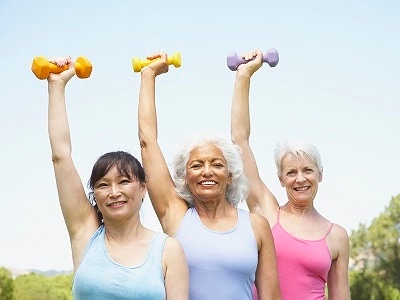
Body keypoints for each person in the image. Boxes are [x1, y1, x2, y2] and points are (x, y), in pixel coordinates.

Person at [137, 52, 281, 300]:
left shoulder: (257, 226)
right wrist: (148, 75)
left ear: (231, 175)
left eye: (216, 164)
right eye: (196, 166)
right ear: (184, 177)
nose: (206, 171)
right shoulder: (176, 216)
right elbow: (147, 142)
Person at [46, 57, 188, 300]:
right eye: (103, 185)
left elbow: (147, 139)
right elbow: (61, 157)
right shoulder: (85, 233)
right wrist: (56, 86)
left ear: (144, 188)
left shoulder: (167, 250)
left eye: (124, 181)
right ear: (95, 195)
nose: (114, 192)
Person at [230, 49, 351, 299]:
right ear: (281, 179)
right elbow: (239, 141)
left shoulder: (337, 236)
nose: (300, 178)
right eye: (291, 172)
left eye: (307, 170)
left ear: (320, 175)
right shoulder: (267, 212)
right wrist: (244, 76)